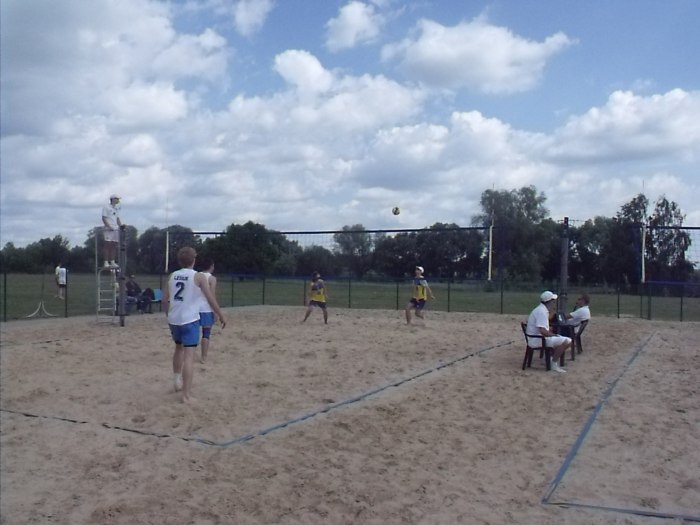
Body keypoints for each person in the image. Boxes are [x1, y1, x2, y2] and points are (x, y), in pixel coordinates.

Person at [163, 247, 226, 403]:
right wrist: (220, 314)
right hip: (189, 319)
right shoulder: (198, 277)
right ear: (194, 259)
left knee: (178, 348)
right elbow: (210, 298)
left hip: (174, 318)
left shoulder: (173, 275)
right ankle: (186, 395)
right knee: (189, 356)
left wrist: (168, 315)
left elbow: (165, 300)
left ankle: (176, 380)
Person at [525, 291, 572, 373]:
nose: (554, 303)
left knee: (562, 340)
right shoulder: (542, 312)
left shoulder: (540, 309)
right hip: (538, 339)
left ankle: (551, 359)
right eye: (553, 301)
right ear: (549, 302)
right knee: (567, 341)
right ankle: (553, 363)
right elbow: (542, 331)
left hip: (536, 338)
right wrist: (554, 335)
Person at [197, 257, 218, 363]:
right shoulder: (212, 278)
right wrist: (215, 311)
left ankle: (186, 354)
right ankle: (203, 357)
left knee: (191, 333)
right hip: (206, 308)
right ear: (211, 266)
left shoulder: (196, 276)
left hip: (195, 308)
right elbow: (212, 295)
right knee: (206, 333)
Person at [101, 194, 123, 268]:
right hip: (108, 229)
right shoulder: (106, 207)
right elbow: (104, 218)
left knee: (114, 245)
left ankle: (112, 261)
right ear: (113, 199)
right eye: (117, 199)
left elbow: (117, 219)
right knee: (107, 245)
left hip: (115, 229)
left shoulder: (116, 208)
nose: (118, 200)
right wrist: (109, 226)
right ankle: (106, 262)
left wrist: (121, 226)